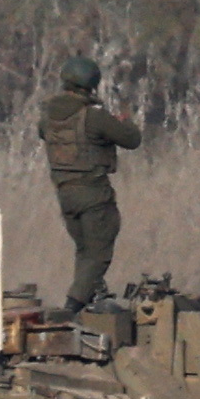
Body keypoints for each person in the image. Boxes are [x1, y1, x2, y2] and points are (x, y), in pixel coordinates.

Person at [39, 54, 141, 306]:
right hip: (93, 194)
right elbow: (131, 140)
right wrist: (125, 119)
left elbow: (47, 135)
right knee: (98, 253)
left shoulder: (48, 117)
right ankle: (72, 308)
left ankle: (87, 300)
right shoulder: (93, 116)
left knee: (85, 253)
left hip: (65, 194)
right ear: (92, 85)